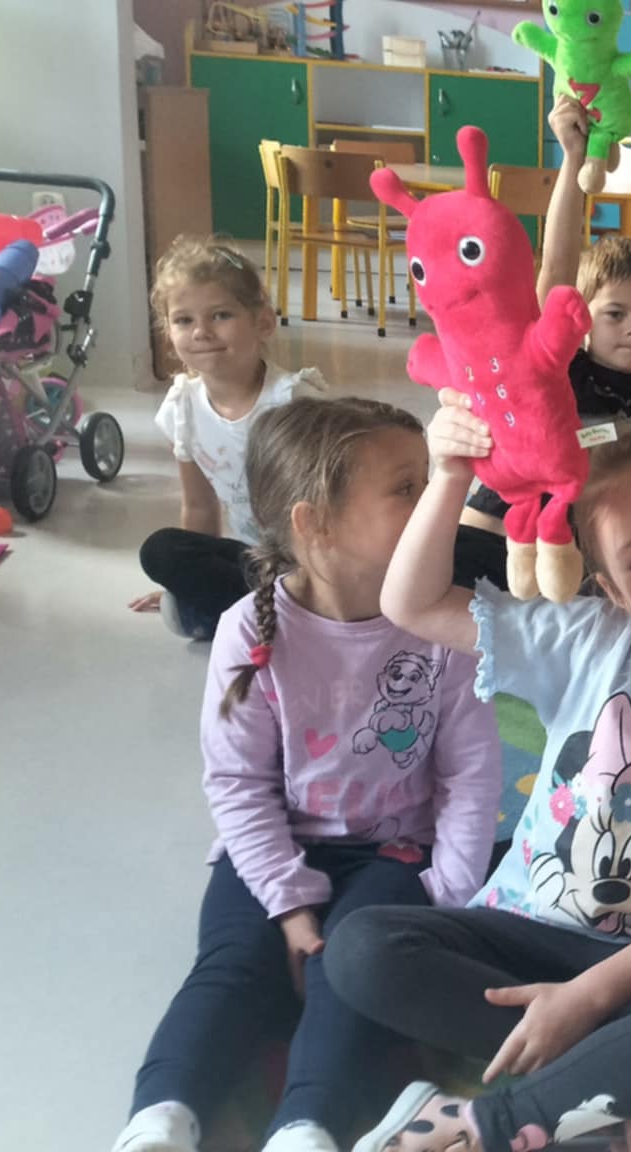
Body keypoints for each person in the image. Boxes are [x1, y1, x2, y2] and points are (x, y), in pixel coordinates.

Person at [331, 410, 631, 1152]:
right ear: (612, 590)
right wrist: (450, 476)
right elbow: (413, 603)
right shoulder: (586, 639)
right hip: (517, 929)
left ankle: (486, 1122)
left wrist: (591, 995)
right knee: (361, 947)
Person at [112, 397, 502, 1152]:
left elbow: (472, 773)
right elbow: (238, 785)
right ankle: (160, 1118)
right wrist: (289, 905)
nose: (434, 503)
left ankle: (307, 1126)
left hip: (394, 854)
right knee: (231, 968)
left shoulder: (447, 626)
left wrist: (447, 898)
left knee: (346, 977)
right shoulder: (249, 631)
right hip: (271, 851)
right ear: (315, 524)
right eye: (407, 488)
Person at [453, 95, 631, 589]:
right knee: (448, 560)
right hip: (511, 514)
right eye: (616, 314)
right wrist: (573, 159)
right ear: (581, 318)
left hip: (580, 532)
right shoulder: (558, 364)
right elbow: (557, 269)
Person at [133, 238, 324, 639]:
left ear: (263, 323)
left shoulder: (292, 400)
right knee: (162, 553)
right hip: (256, 563)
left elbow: (333, 503)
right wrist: (189, 578)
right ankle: (268, 615)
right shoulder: (182, 408)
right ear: (168, 333)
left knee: (192, 616)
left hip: (314, 563)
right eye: (183, 320)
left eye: (220, 315)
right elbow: (199, 506)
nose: (201, 332)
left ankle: (289, 616)